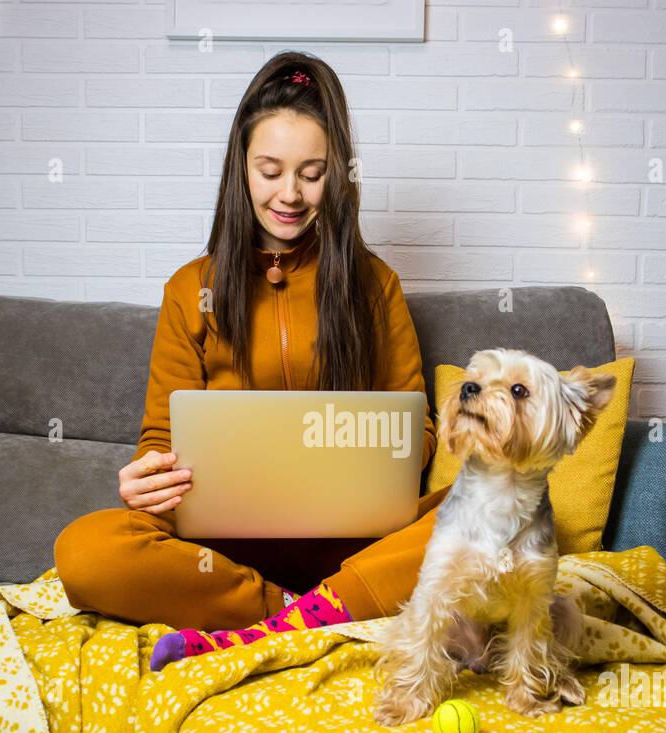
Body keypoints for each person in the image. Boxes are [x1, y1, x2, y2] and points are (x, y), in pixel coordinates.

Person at [53, 52, 451, 671]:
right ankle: (303, 614)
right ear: (240, 169)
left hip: (355, 550)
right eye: (269, 171)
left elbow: (418, 432)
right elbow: (161, 436)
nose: (289, 194)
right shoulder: (192, 288)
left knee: (497, 519)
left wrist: (370, 457)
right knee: (85, 552)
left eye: (311, 173)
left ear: (338, 177)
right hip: (221, 558)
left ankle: (301, 613)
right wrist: (146, 479)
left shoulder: (375, 286)